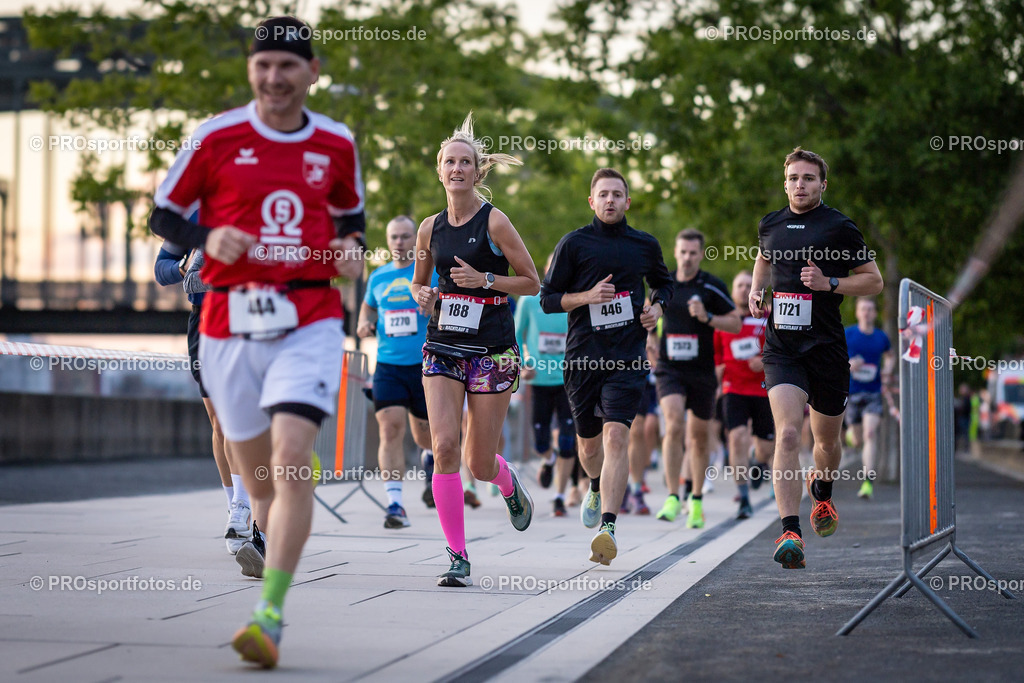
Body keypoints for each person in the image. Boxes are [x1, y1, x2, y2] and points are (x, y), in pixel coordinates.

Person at [150, 16, 365, 667]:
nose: (274, 77)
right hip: (228, 320)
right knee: (262, 484)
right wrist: (204, 238)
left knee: (294, 456)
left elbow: (351, 219)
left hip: (308, 314)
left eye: (288, 65)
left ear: (312, 72)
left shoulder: (336, 141)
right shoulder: (215, 136)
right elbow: (162, 215)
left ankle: (268, 615)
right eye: (263, 65)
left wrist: (351, 249)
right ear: (251, 70)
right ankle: (258, 530)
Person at [410, 113, 539, 588]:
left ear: (477, 171)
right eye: (450, 162)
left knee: (478, 463)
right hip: (443, 345)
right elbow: (418, 284)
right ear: (439, 170)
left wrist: (485, 279)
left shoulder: (495, 221)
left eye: (466, 162)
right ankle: (458, 557)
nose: (457, 169)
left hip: (492, 350)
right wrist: (422, 294)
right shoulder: (429, 229)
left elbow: (532, 282)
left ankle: (506, 483)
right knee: (444, 447)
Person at [750, 147, 883, 569]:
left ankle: (822, 490)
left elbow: (874, 282)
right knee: (789, 434)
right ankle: (790, 532)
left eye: (808, 178)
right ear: (785, 183)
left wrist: (830, 283)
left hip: (826, 349)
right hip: (782, 349)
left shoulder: (839, 227)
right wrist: (756, 290)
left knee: (826, 442)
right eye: (793, 178)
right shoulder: (770, 224)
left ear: (822, 184)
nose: (800, 185)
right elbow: (763, 258)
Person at [541, 167, 673, 565]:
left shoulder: (644, 244)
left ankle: (608, 528)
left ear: (627, 201)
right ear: (592, 201)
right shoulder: (574, 244)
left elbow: (664, 284)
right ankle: (595, 485)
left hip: (627, 358)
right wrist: (587, 296)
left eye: (617, 194)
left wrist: (656, 309)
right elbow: (548, 299)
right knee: (589, 444)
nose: (610, 200)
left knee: (617, 436)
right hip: (583, 358)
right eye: (603, 194)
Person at [155, 241, 254, 554]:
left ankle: (243, 507)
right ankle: (234, 508)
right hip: (204, 320)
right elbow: (161, 270)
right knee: (220, 423)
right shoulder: (190, 219)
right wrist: (184, 267)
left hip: (246, 319)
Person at [649, 229, 741, 528]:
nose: (687, 258)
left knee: (699, 438)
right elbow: (650, 319)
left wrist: (708, 318)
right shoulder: (663, 285)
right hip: (670, 369)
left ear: (701, 254)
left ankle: (697, 500)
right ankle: (672, 496)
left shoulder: (711, 286)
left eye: (692, 253)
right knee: (674, 422)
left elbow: (736, 323)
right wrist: (650, 340)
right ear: (675, 253)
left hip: (702, 371)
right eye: (683, 252)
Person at [357, 216, 437, 527]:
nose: (400, 242)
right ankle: (395, 505)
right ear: (388, 240)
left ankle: (429, 462)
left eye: (406, 236)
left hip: (425, 366)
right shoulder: (378, 277)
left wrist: (434, 305)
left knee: (425, 436)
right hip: (387, 367)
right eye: (394, 237)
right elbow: (367, 307)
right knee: (390, 429)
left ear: (415, 240)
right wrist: (364, 323)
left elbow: (447, 304)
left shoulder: (428, 272)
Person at [515, 255, 578, 517]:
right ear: (546, 269)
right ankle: (549, 459)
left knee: (567, 440)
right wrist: (523, 363)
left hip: (568, 381)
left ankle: (559, 496)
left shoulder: (575, 300)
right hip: (539, 379)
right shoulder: (530, 300)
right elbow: (516, 334)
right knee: (541, 442)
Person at [714, 270, 775, 519]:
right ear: (732, 291)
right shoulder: (723, 320)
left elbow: (782, 349)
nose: (743, 289)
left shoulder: (769, 318)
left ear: (756, 291)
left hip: (763, 389)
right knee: (737, 437)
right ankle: (744, 497)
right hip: (733, 388)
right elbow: (716, 354)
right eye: (739, 285)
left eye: (748, 285)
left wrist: (764, 361)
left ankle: (758, 462)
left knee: (766, 448)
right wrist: (716, 375)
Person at [844, 296, 893, 500]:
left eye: (870, 309)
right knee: (857, 440)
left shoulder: (881, 337)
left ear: (875, 313)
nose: (866, 312)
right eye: (863, 309)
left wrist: (887, 371)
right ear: (857, 312)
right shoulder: (848, 334)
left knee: (870, 434)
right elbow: (833, 357)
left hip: (873, 393)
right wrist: (848, 364)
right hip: (852, 392)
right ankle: (850, 435)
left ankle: (867, 482)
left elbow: (890, 356)